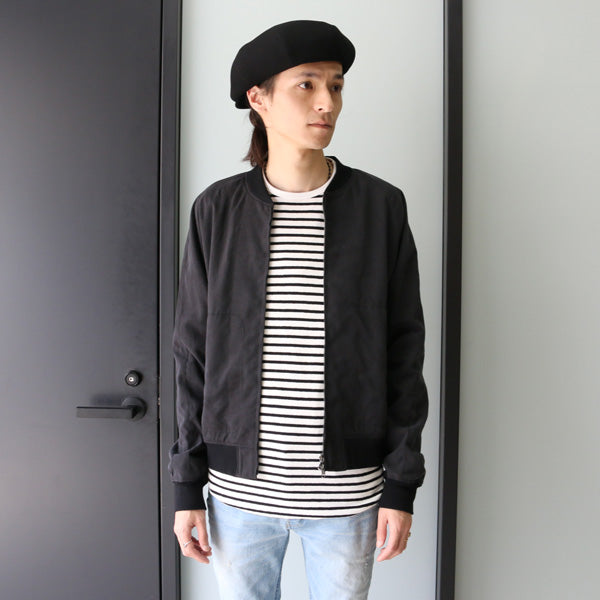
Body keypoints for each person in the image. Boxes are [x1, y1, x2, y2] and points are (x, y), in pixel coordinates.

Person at [169, 20, 428, 600]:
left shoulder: (380, 207)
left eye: (336, 86)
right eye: (306, 85)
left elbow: (404, 351)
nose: (327, 102)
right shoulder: (217, 210)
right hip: (238, 497)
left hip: (349, 497)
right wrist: (186, 485)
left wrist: (401, 483)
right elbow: (192, 354)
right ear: (258, 99)